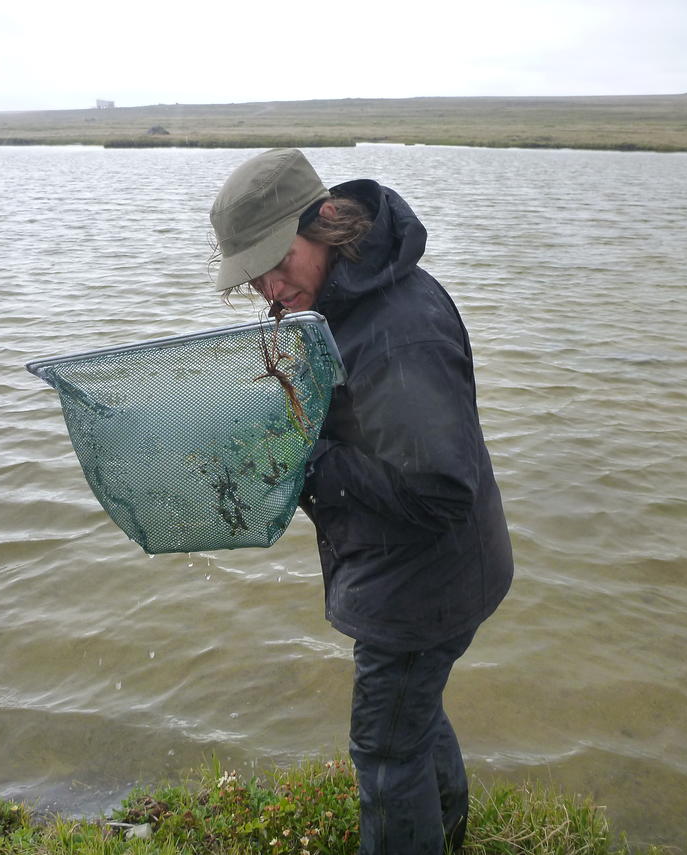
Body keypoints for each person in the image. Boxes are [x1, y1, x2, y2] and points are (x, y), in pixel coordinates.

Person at [209, 148, 514, 854]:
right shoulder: (344, 296)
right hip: (433, 571)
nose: (270, 288)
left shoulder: (398, 325)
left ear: (324, 222)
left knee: (385, 755)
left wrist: (313, 461)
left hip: (422, 587)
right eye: (255, 275)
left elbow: (441, 485)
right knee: (414, 716)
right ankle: (452, 834)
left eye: (277, 262)